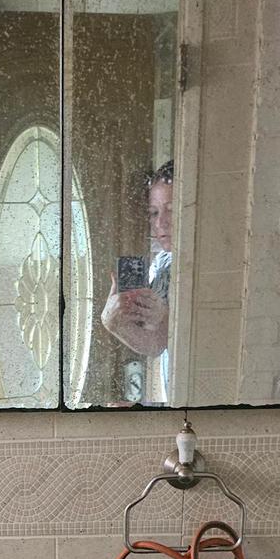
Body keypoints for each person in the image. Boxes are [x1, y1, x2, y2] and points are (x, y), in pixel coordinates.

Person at [100, 160, 173, 401]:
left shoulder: (208, 265)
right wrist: (114, 323)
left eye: (171, 209)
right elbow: (155, 344)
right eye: (154, 213)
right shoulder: (161, 264)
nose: (161, 223)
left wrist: (168, 317)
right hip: (175, 394)